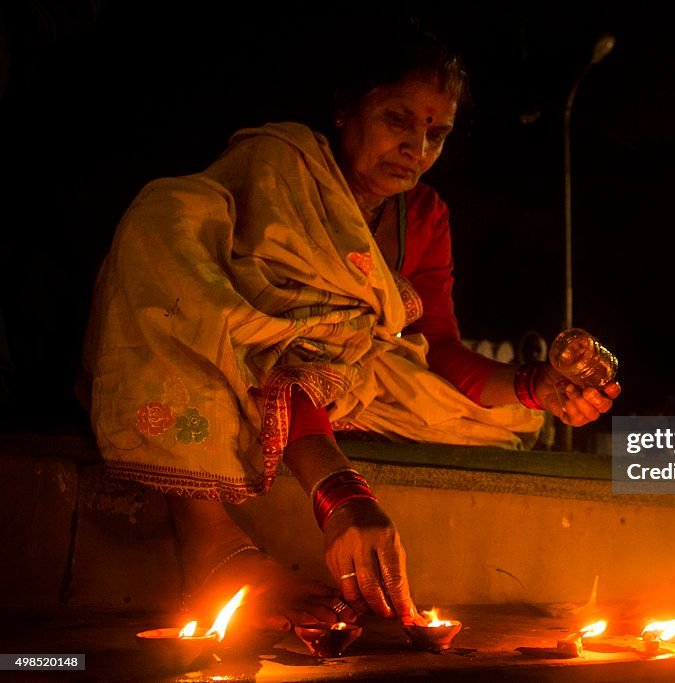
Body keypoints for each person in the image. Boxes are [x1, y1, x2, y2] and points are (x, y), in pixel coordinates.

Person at [81, 22, 620, 636]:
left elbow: (438, 350)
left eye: (436, 133)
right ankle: (210, 541)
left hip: (351, 379)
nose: (417, 148)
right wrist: (341, 495)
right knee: (166, 221)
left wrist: (538, 386)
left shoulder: (422, 215)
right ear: (345, 109)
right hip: (240, 346)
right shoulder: (280, 172)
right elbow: (278, 341)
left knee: (501, 417)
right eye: (397, 119)